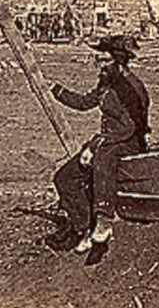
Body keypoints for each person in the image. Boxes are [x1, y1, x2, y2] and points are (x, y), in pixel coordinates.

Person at [50, 34, 149, 251]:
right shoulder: (107, 83)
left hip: (128, 143)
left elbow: (129, 128)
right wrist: (56, 90)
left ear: (118, 60)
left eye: (103, 61)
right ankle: (84, 226)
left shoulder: (132, 88)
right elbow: (85, 102)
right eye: (98, 61)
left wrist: (95, 146)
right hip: (109, 141)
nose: (99, 66)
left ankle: (104, 219)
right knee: (64, 177)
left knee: (102, 158)